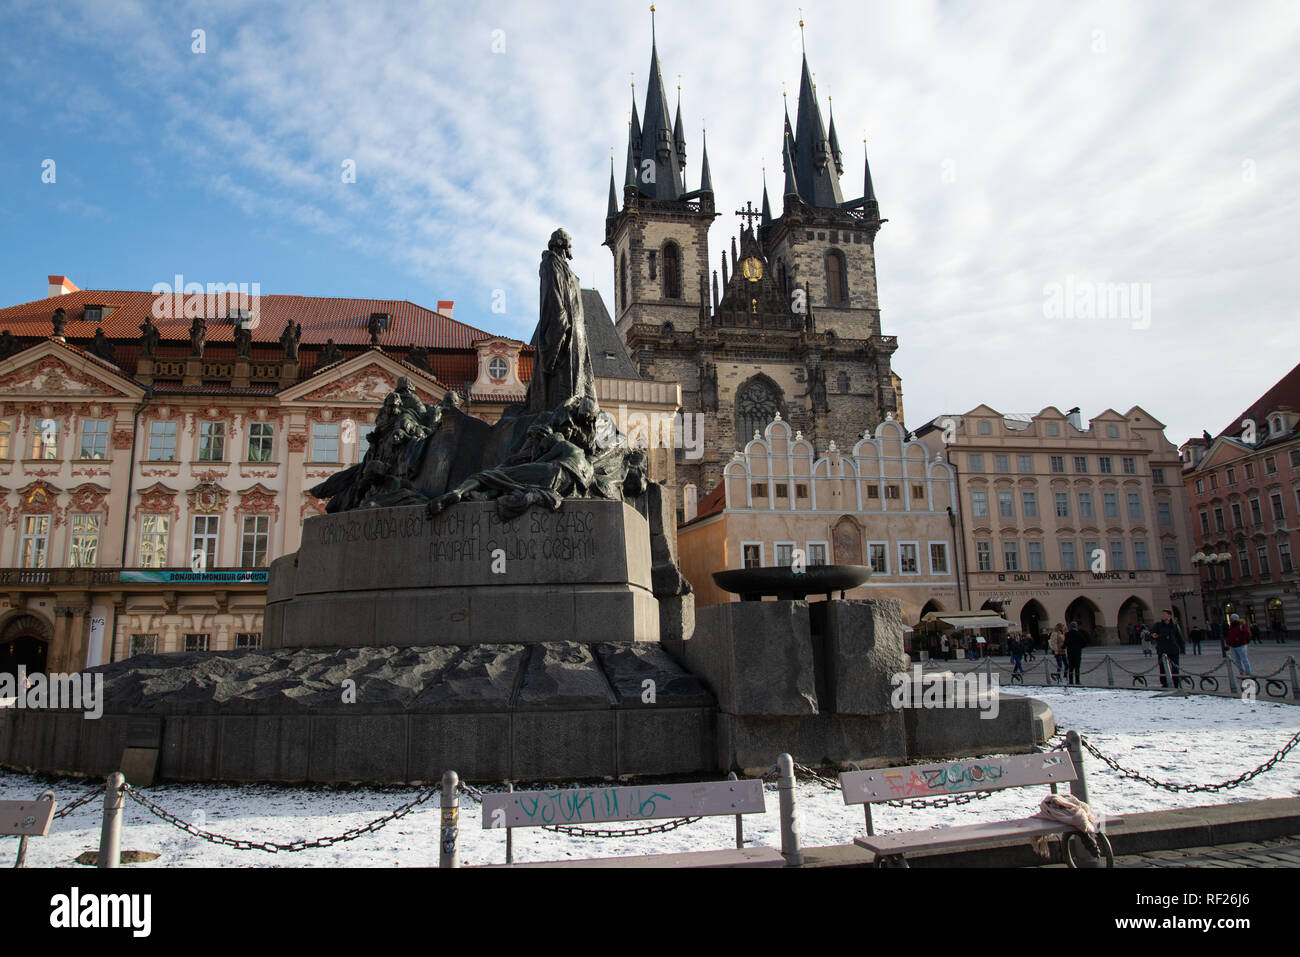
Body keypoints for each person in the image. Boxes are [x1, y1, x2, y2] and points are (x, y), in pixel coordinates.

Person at [1152, 609, 1186, 688]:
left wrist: (1182, 649)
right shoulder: (1158, 625)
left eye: (1164, 614)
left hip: (1173, 649)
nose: (1162, 616)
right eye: (1162, 614)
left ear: (1169, 616)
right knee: (1162, 668)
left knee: (1175, 668)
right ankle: (1164, 684)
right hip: (1162, 650)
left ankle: (1176, 683)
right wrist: (1153, 635)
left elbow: (1179, 638)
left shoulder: (1174, 625)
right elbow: (1152, 633)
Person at [1064, 621, 1087, 685]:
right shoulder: (1079, 633)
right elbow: (1084, 642)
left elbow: (1065, 643)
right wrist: (1079, 647)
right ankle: (1077, 681)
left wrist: (1063, 647)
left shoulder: (1067, 634)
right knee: (1077, 667)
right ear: (1076, 626)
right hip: (1077, 653)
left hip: (1070, 653)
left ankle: (1071, 681)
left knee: (1071, 667)